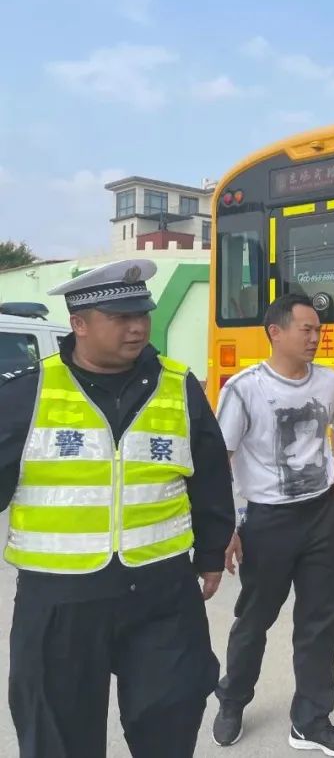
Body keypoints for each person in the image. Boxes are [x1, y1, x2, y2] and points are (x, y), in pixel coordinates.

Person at [0, 258, 235, 758]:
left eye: (142, 314)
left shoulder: (178, 385)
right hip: (60, 599)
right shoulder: (27, 394)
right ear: (79, 324)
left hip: (162, 594)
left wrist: (212, 552)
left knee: (170, 724)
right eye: (120, 317)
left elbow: (211, 476)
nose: (137, 327)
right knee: (58, 738)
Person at [212, 293, 334, 757]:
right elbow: (222, 460)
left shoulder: (330, 383)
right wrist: (227, 529)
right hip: (266, 521)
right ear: (275, 332)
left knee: (319, 620)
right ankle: (233, 699)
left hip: (319, 516)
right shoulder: (244, 388)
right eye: (306, 329)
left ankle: (312, 720)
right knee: (255, 618)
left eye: (318, 330)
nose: (315, 337)